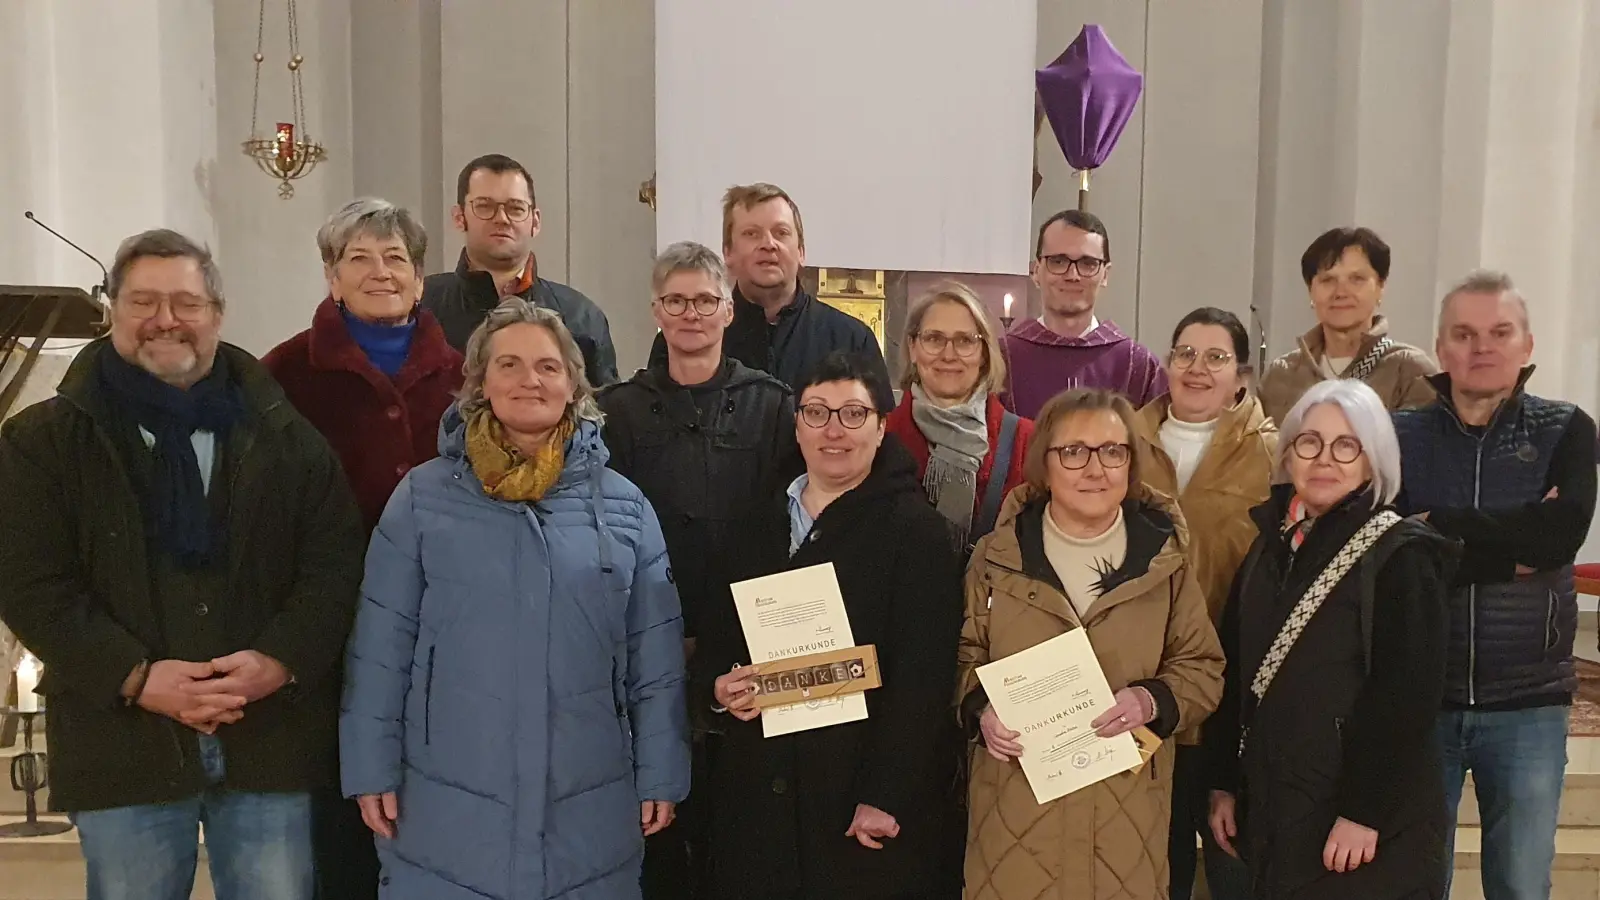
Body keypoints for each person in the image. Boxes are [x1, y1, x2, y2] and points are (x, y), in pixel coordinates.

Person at [0, 229, 366, 900]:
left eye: (186, 303)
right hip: (122, 740)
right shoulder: (43, 440)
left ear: (217, 314)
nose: (165, 320)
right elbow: (28, 582)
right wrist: (136, 677)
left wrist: (279, 661)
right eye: (143, 301)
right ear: (112, 309)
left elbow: (334, 565)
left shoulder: (285, 434)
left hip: (266, 739)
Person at [340, 299, 690, 899]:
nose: (530, 379)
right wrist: (369, 764)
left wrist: (662, 771)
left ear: (574, 386)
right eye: (509, 364)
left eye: (548, 367)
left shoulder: (625, 507)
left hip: (589, 805)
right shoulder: (421, 499)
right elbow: (380, 647)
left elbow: (653, 659)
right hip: (445, 806)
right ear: (480, 382)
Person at [700, 353, 964, 900]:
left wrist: (886, 794)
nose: (834, 430)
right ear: (797, 424)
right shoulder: (754, 523)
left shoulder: (918, 533)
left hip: (855, 804)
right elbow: (716, 644)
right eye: (817, 412)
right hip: (757, 801)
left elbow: (924, 681)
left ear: (881, 427)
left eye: (853, 414)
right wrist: (719, 690)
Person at [262, 198, 463, 900]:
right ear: (332, 276)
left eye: (396, 258)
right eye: (360, 258)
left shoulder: (466, 375)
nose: (381, 272)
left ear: (419, 276)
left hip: (444, 623)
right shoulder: (283, 374)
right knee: (341, 824)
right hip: (329, 621)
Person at [959, 388, 1224, 900]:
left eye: (1112, 451)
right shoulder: (996, 557)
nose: (1095, 469)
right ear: (1045, 463)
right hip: (1014, 820)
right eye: (1074, 452)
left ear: (1131, 463)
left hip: (1126, 827)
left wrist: (1152, 701)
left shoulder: (1165, 563)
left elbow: (1202, 666)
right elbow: (961, 658)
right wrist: (980, 709)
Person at [1205, 379, 1459, 899]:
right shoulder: (1268, 548)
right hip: (1278, 804)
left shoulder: (1401, 555)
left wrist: (1365, 811)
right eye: (1310, 442)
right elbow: (1237, 670)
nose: (1325, 459)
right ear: (1288, 454)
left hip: (1358, 824)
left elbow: (1407, 695)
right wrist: (1225, 781)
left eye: (1347, 445)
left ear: (1373, 461)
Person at [1391, 270, 1599, 900]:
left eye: (1499, 332)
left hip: (1529, 700)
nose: (1482, 347)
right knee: (1415, 883)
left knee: (1520, 885)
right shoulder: (1400, 435)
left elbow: (1557, 540)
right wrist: (1513, 550)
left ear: (1527, 344)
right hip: (1424, 696)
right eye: (1464, 334)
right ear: (1441, 347)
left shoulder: (1568, 429)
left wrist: (1442, 525)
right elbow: (1396, 557)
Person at [597, 240, 795, 899]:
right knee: (652, 821)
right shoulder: (618, 409)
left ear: (728, 309)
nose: (691, 314)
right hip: (644, 637)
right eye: (676, 301)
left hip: (745, 641)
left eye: (705, 300)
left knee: (737, 822)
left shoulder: (772, 405)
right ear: (656, 310)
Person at [1131, 307, 1275, 900]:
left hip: (1235, 685)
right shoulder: (1124, 441)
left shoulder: (1274, 453)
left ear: (1241, 376)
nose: (1197, 368)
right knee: (1152, 864)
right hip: (1143, 683)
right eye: (1185, 354)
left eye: (1216, 357)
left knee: (1233, 864)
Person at [647, 183, 893, 411]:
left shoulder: (851, 339)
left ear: (801, 251)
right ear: (727, 252)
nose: (768, 244)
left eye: (781, 232)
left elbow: (879, 431)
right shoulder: (687, 337)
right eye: (751, 234)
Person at [422, 153, 619, 385]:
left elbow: (602, 405)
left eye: (515, 208)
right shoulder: (422, 307)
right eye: (484, 206)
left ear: (535, 221)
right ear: (459, 217)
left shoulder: (581, 317)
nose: (502, 218)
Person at [885, 282, 1034, 553]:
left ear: (984, 352)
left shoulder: (1027, 441)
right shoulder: (879, 438)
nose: (948, 355)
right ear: (913, 347)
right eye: (934, 339)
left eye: (965, 341)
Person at [1258, 226, 1437, 424]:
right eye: (1328, 280)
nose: (1341, 292)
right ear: (1310, 291)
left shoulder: (1409, 371)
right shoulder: (1281, 374)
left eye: (1357, 279)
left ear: (1380, 287)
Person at [1001, 210, 1167, 418]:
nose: (1073, 275)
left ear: (1105, 275)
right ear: (1036, 271)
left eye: (1088, 264)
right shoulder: (1001, 359)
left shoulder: (1137, 364)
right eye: (1058, 261)